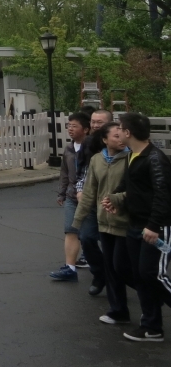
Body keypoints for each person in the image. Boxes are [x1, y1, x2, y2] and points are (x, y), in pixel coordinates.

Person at [103, 112, 171, 342]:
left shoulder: (155, 158)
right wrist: (116, 201)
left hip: (156, 228)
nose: (117, 131)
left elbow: (163, 195)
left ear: (128, 132)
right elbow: (131, 188)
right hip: (135, 224)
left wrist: (154, 225)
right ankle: (151, 327)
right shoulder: (132, 155)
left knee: (152, 274)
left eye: (120, 128)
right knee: (133, 273)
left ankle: (152, 323)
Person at [73, 121, 133, 324]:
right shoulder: (97, 159)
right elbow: (89, 192)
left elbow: (137, 191)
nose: (121, 138)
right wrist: (78, 219)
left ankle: (152, 295)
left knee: (123, 267)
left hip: (125, 221)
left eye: (122, 134)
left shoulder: (131, 158)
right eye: (116, 135)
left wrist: (117, 199)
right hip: (104, 221)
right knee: (111, 268)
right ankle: (118, 311)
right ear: (105, 139)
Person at [77, 109, 116, 293]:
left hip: (113, 204)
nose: (94, 125)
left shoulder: (120, 144)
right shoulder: (88, 143)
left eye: (99, 122)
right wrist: (79, 190)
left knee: (112, 245)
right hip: (92, 203)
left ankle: (116, 279)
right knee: (86, 237)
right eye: (93, 122)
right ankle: (100, 274)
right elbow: (83, 171)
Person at [50, 111, 91, 281]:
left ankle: (96, 264)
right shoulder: (68, 148)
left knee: (88, 235)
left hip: (89, 198)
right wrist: (62, 193)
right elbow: (64, 173)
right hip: (71, 196)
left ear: (86, 129)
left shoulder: (93, 148)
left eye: (74, 126)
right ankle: (70, 268)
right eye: (69, 126)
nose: (70, 129)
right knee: (70, 230)